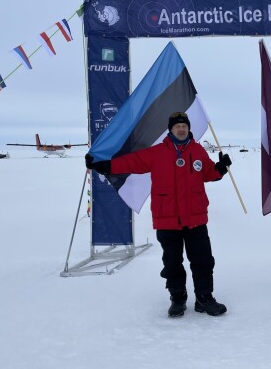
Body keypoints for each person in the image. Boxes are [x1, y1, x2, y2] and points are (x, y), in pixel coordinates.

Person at [85, 112, 232, 318]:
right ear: (170, 129)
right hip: (167, 219)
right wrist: (106, 165)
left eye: (184, 126)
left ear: (189, 128)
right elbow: (131, 162)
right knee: (172, 262)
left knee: (203, 260)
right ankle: (178, 299)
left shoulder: (198, 151)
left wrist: (220, 168)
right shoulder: (157, 153)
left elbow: (208, 173)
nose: (181, 129)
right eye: (177, 126)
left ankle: (204, 298)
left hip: (196, 218)